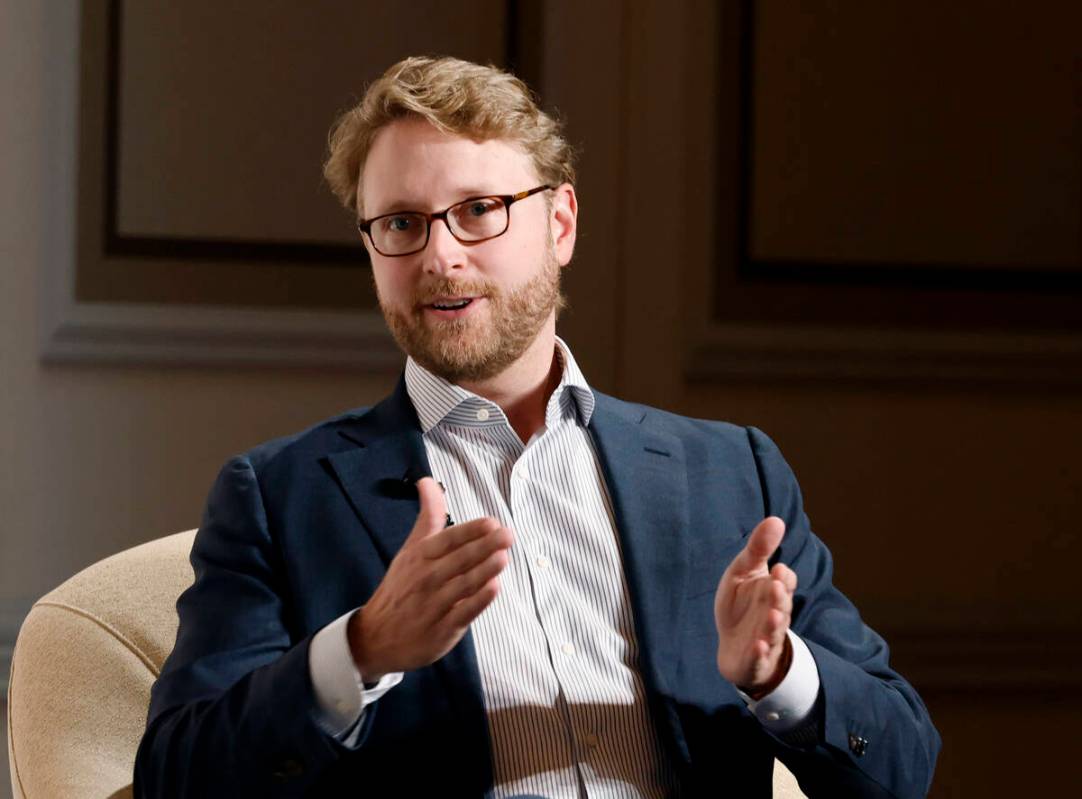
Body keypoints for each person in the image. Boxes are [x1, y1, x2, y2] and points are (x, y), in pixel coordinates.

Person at [134, 56, 939, 798]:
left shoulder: (731, 470)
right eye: (402, 224)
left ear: (560, 223)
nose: (439, 256)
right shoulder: (279, 496)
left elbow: (904, 763)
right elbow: (177, 775)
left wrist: (779, 675)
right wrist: (363, 648)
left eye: (479, 210)